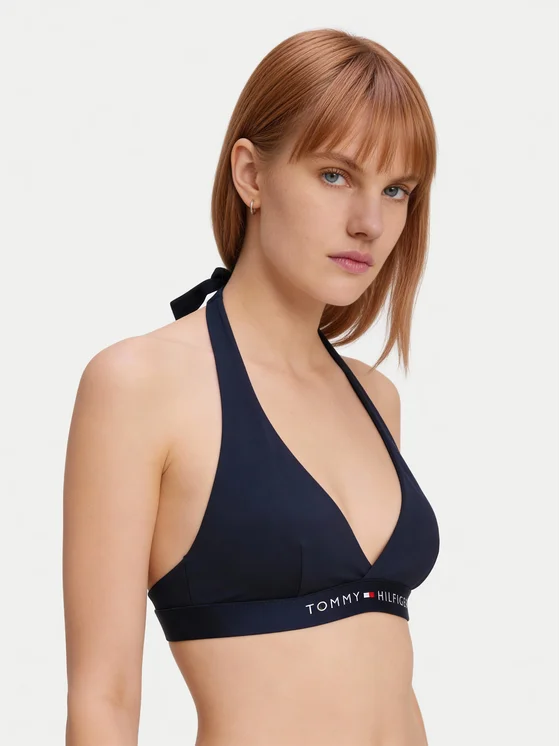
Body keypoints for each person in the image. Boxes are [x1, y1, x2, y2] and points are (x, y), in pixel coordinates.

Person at [63, 27, 439, 746]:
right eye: (336, 175)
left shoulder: (375, 399)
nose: (369, 223)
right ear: (251, 175)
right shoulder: (139, 387)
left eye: (395, 190)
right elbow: (102, 700)